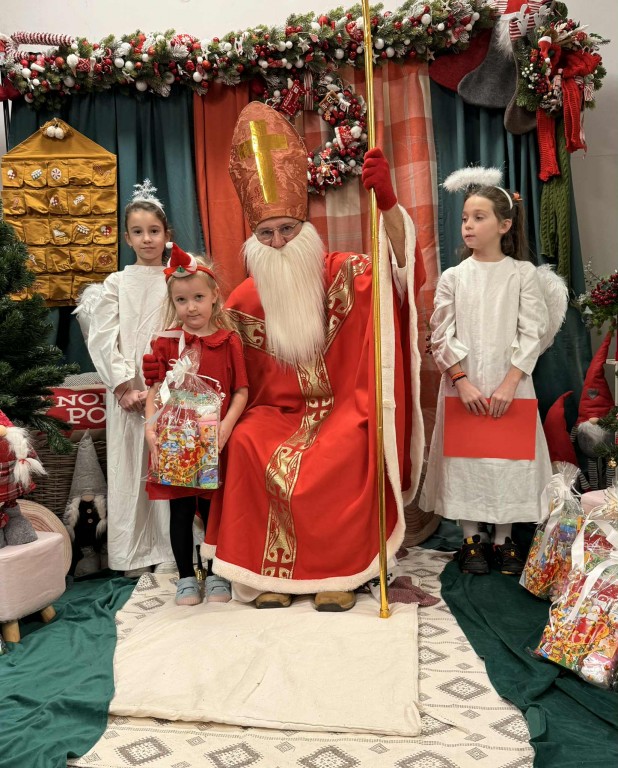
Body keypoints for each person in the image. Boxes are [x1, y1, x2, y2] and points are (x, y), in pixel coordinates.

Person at [199, 101, 426, 611]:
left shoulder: (346, 273)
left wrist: (389, 207)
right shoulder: (243, 301)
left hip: (342, 408)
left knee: (349, 440)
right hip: (276, 414)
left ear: (305, 227)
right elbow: (217, 366)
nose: (278, 242)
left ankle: (340, 573)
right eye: (266, 234)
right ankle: (270, 575)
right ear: (253, 240)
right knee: (247, 439)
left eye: (286, 229)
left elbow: (400, 272)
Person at [420, 173, 553, 576]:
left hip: (511, 382)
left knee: (507, 460)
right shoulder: (454, 277)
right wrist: (461, 382)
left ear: (504, 225)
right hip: (465, 384)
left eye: (479, 218)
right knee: (467, 460)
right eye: (465, 218)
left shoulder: (522, 274)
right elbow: (440, 333)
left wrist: (510, 383)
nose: (468, 225)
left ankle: (504, 540)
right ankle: (471, 539)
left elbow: (533, 331)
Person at [144, 244, 249, 606]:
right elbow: (155, 390)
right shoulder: (166, 343)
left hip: (214, 440)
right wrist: (149, 428)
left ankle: (217, 573)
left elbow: (241, 391)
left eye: (198, 298)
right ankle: (187, 577)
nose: (191, 307)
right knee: (181, 510)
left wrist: (226, 428)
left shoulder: (229, 341)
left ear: (214, 296)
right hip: (176, 440)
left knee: (215, 510)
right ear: (172, 302)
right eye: (182, 300)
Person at [82, 181, 175, 576]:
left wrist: (170, 386)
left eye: (154, 231)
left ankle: (170, 549)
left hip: (170, 387)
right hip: (129, 390)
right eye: (138, 232)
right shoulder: (116, 284)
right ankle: (134, 553)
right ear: (127, 238)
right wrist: (123, 387)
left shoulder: (177, 278)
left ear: (167, 234)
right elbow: (103, 336)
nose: (146, 239)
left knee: (169, 462)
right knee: (131, 467)